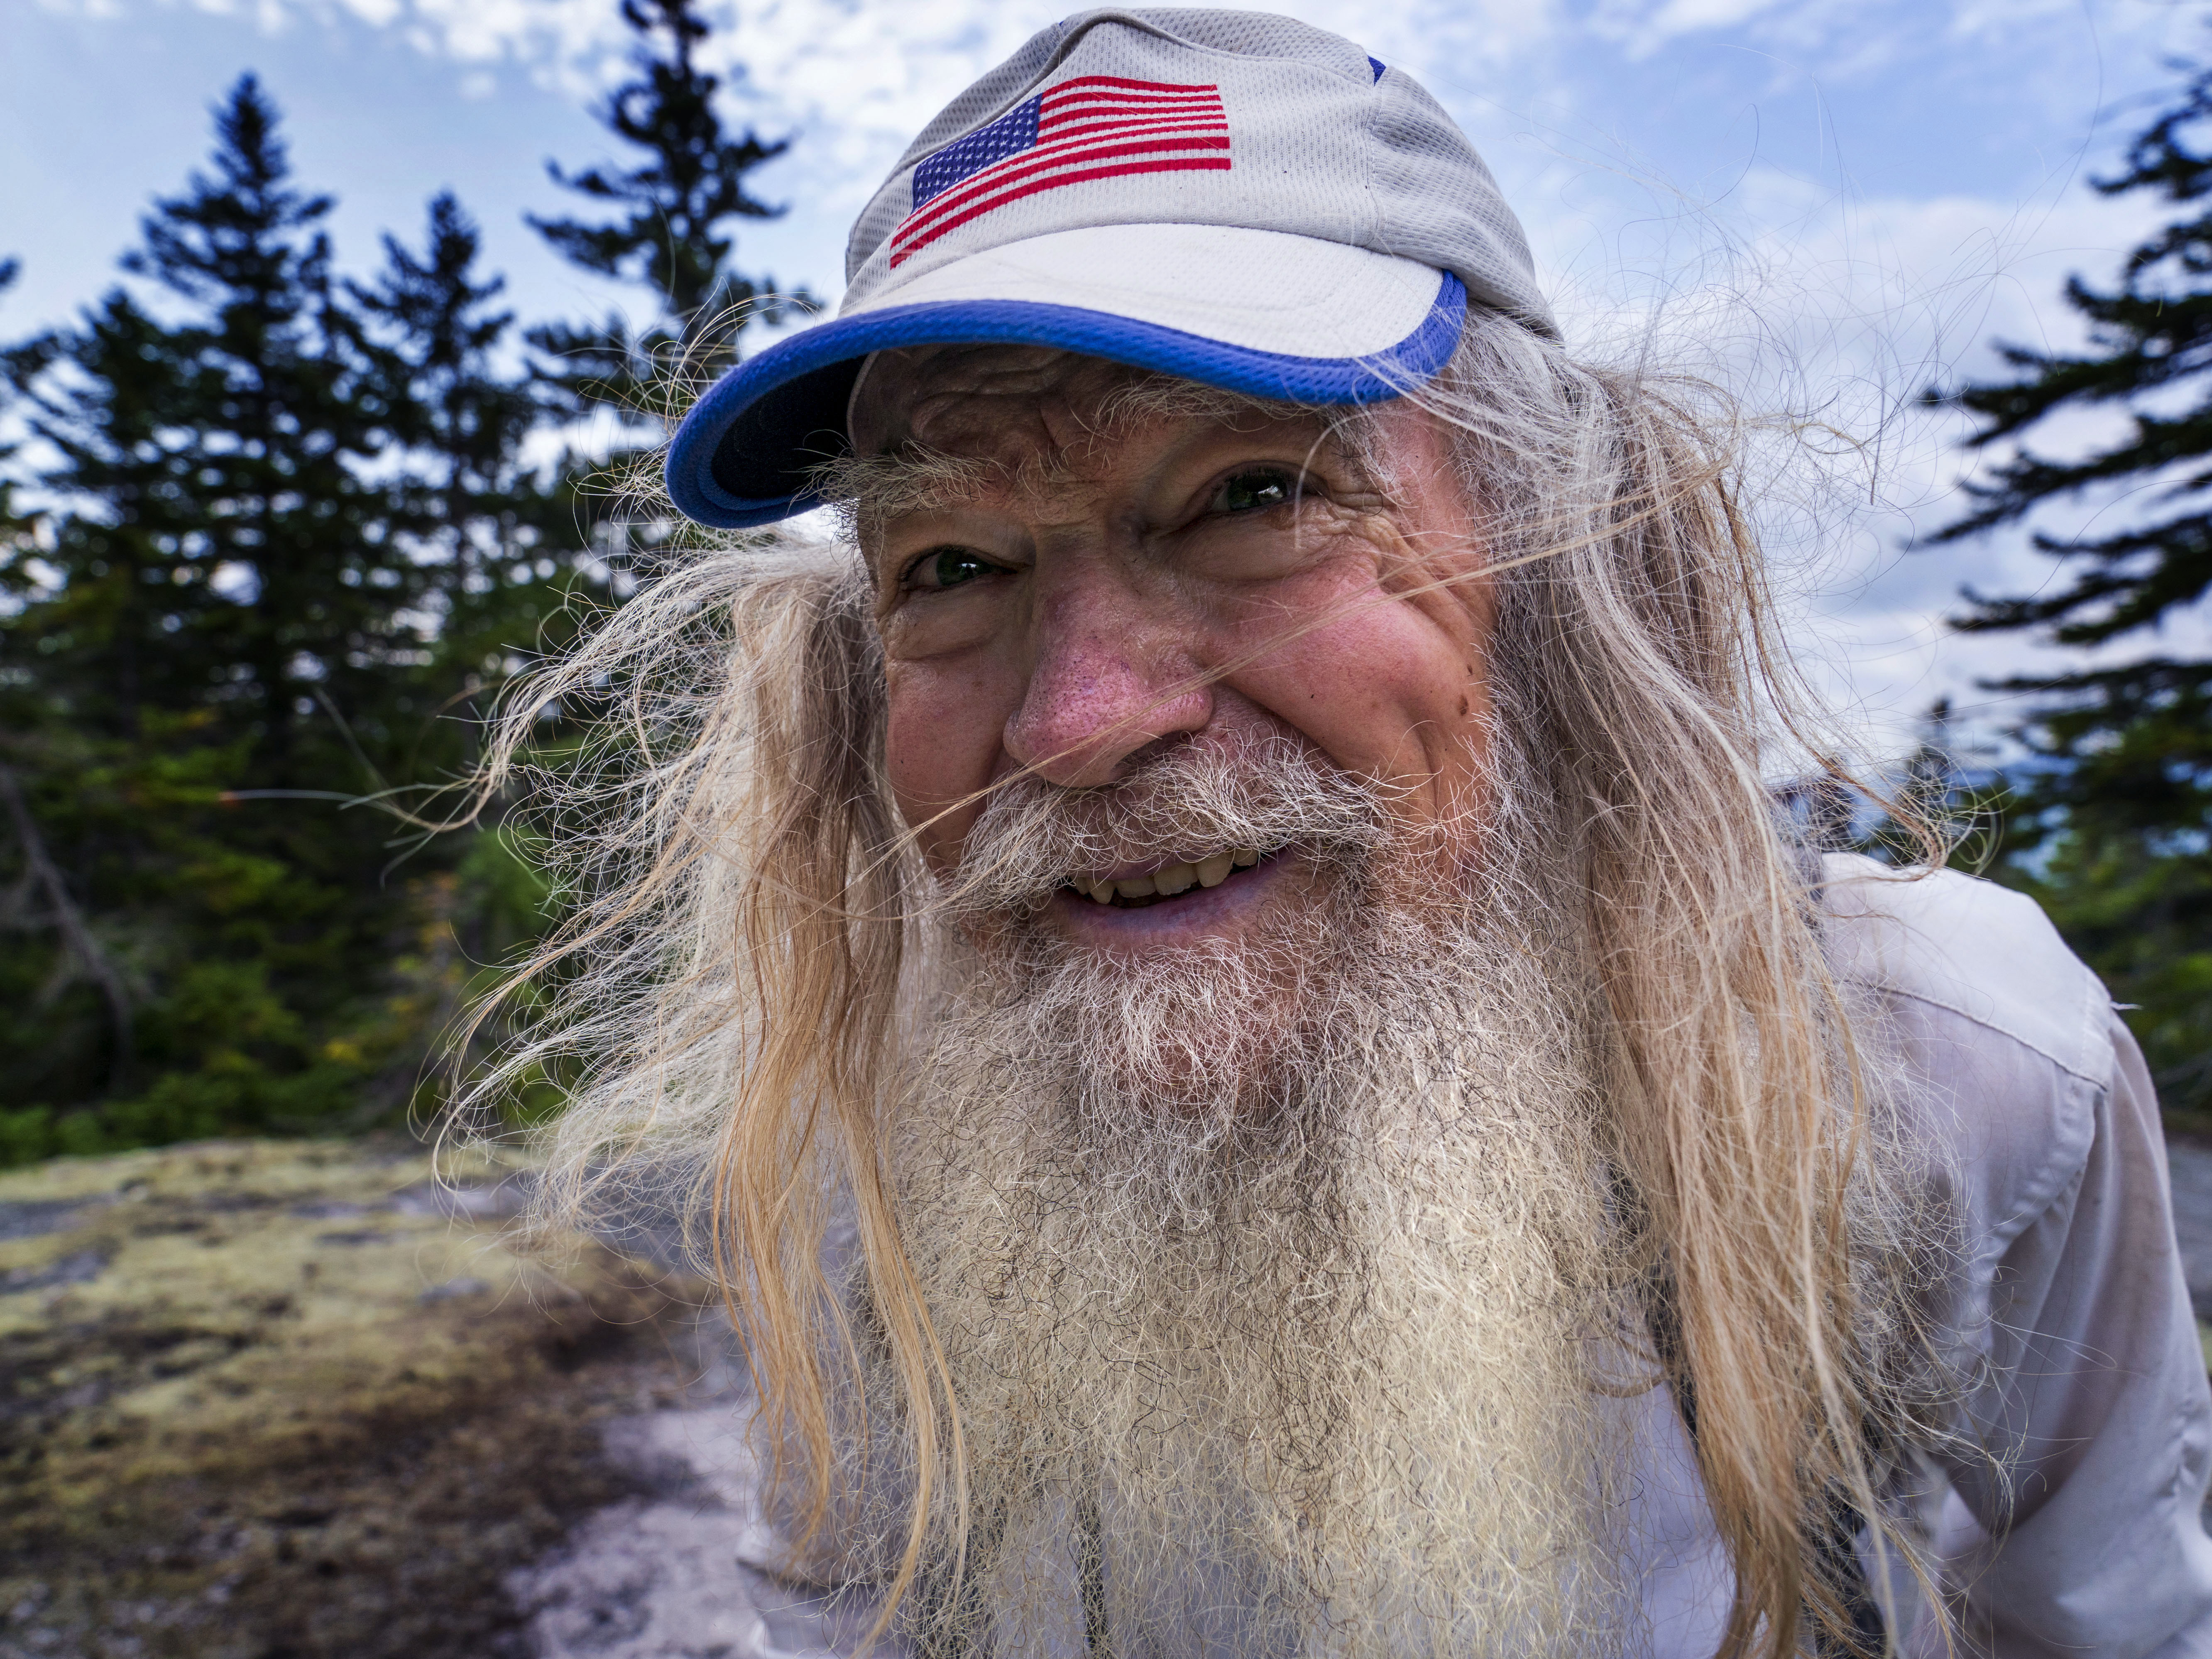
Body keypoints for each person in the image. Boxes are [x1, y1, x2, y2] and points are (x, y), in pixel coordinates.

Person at [478, 10, 2212, 1656]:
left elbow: (2115, 1617)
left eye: (1254, 495)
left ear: (1560, 558)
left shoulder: (1942, 1070)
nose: (1077, 723)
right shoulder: (869, 1144)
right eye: (951, 568)